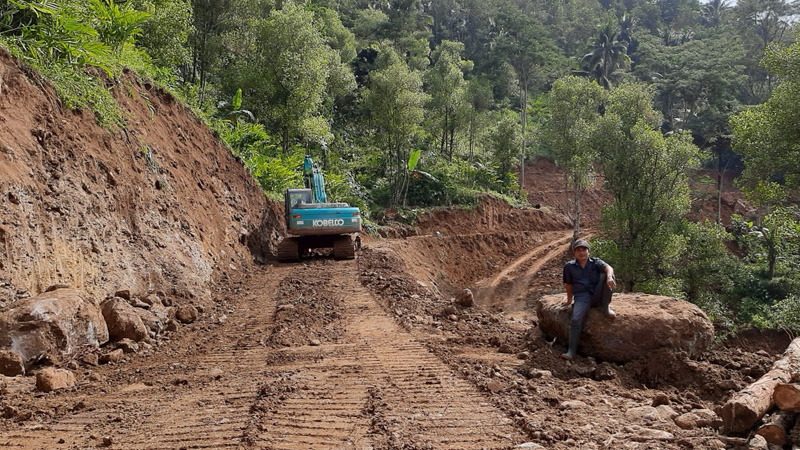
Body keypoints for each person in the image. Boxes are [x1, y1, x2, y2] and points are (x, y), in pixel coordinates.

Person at [561, 239, 616, 360]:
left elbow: (608, 268)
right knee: (575, 319)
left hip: (597, 293)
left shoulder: (595, 262)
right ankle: (571, 350)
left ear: (588, 251)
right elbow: (568, 285)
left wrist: (609, 277)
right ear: (574, 253)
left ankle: (605, 306)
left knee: (610, 276)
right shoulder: (569, 267)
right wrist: (570, 300)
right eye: (578, 250)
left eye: (584, 249)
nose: (582, 253)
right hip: (582, 296)